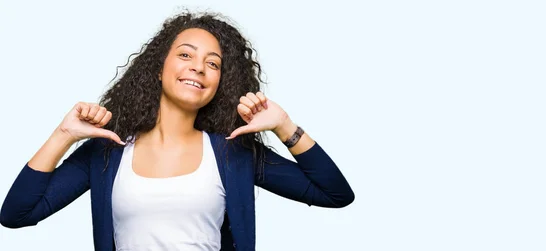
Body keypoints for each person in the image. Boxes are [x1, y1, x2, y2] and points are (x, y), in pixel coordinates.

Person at [0, 10, 354, 251]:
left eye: (213, 63)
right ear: (159, 68)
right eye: (186, 55)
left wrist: (283, 126)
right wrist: (63, 135)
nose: (198, 67)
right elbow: (16, 215)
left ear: (221, 82)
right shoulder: (107, 150)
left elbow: (334, 194)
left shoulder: (233, 152)